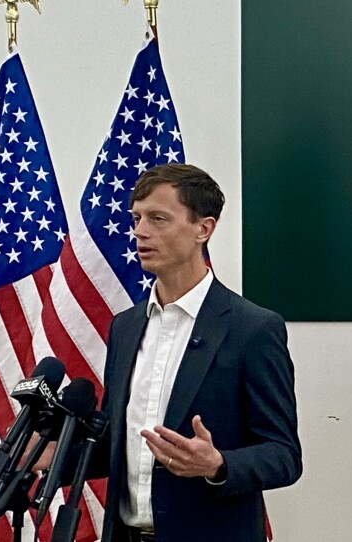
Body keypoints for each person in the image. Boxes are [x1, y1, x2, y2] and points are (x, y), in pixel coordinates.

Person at [85, 163, 302, 542]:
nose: (140, 232)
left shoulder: (251, 329)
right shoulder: (125, 327)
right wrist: (54, 454)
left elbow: (283, 455)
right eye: (136, 218)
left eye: (158, 219)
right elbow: (116, 445)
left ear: (203, 228)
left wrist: (217, 464)